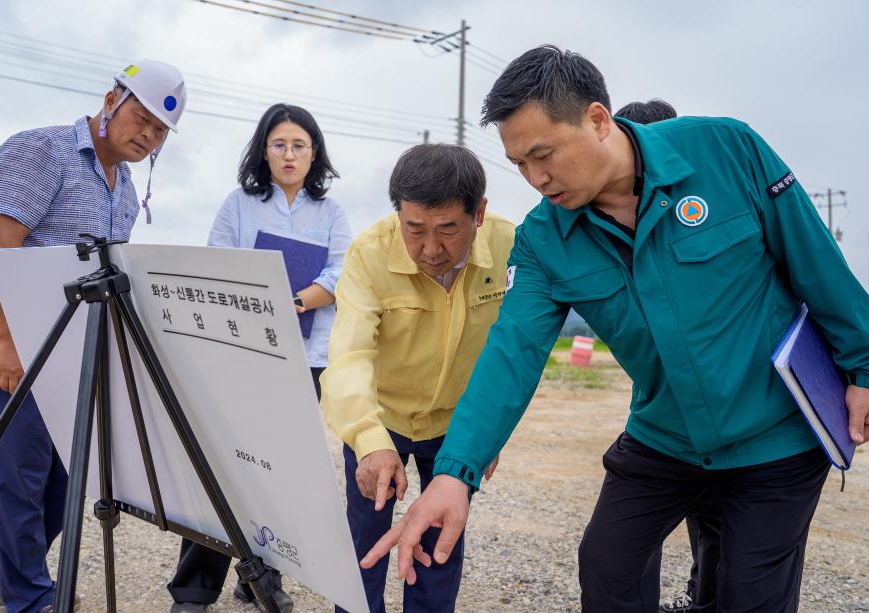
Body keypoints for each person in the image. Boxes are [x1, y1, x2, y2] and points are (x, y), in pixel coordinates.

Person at [361, 45, 869, 613]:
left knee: (750, 592)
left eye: (543, 154)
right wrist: (455, 474)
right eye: (519, 164)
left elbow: (818, 265)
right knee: (607, 566)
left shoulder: (728, 151)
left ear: (598, 120)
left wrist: (863, 368)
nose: (535, 178)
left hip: (774, 435)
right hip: (666, 437)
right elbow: (513, 352)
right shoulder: (544, 239)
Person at [0, 59, 186, 613]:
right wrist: (10, 344)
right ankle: (31, 598)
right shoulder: (42, 150)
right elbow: (1, 242)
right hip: (12, 342)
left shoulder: (127, 189)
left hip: (75, 353)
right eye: (141, 118)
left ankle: (11, 580)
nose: (148, 136)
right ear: (111, 99)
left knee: (66, 482)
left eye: (160, 131)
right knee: (18, 480)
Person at [166, 103, 351, 613]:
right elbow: (215, 262)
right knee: (221, 469)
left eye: (299, 145)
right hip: (240, 353)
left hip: (304, 357)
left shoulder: (331, 213)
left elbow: (341, 274)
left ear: (315, 154)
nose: (289, 154)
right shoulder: (240, 204)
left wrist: (290, 302)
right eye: (279, 144)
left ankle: (260, 581)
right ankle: (194, 590)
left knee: (277, 471)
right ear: (263, 151)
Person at [320, 143, 514, 613]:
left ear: (479, 213)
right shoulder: (368, 253)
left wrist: (488, 432)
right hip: (380, 418)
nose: (431, 249)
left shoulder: (511, 246)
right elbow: (349, 354)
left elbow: (514, 351)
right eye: (414, 229)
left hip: (458, 424)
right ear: (398, 217)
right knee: (365, 537)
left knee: (439, 540)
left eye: (448, 229)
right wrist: (368, 440)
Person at [616, 99, 719, 613]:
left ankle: (703, 597)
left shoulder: (699, 205)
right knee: (652, 523)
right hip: (659, 415)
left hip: (724, 414)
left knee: (715, 519)